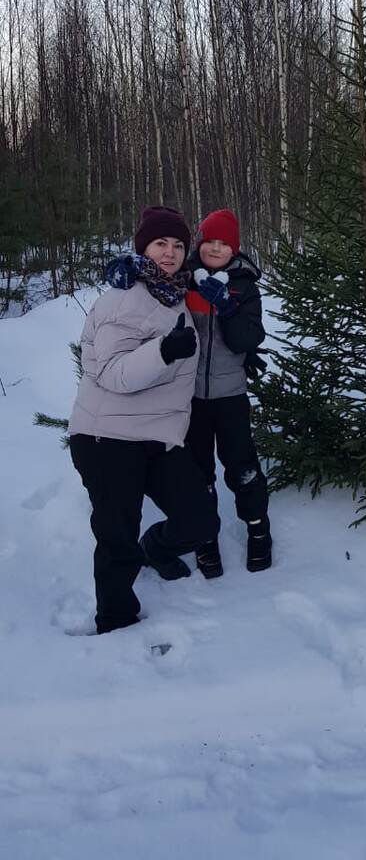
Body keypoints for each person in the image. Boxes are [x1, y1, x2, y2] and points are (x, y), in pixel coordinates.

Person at [68, 206, 220, 634]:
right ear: (143, 248)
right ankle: (115, 625)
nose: (170, 253)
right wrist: (164, 351)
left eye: (177, 245)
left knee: (200, 521)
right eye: (160, 244)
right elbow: (114, 373)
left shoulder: (173, 295)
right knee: (117, 537)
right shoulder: (123, 299)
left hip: (156, 437)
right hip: (106, 438)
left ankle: (153, 547)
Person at [184, 208, 270, 577]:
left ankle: (258, 529)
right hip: (188, 397)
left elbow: (247, 340)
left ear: (234, 249)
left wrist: (229, 307)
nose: (216, 248)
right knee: (197, 472)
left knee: (242, 467)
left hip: (230, 394)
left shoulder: (244, 286)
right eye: (209, 241)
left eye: (224, 243)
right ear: (200, 244)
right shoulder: (183, 281)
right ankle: (205, 539)